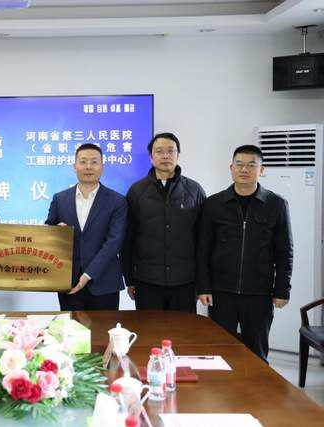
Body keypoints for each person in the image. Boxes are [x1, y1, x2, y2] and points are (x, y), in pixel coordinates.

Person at [197, 145, 292, 361]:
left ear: (262, 169)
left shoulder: (276, 204)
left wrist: (282, 289)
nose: (244, 169)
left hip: (259, 293)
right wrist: (203, 287)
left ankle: (257, 384)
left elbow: (284, 250)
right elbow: (203, 249)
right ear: (231, 168)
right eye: (239, 164)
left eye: (251, 165)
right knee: (220, 351)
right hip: (221, 292)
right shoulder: (214, 204)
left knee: (257, 352)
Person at [121, 132, 206, 313]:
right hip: (147, 281)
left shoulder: (194, 190)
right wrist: (129, 279)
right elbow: (128, 239)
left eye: (170, 151)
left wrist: (203, 282)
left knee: (182, 330)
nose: (165, 156)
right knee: (149, 328)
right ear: (151, 157)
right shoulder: (136, 191)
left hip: (185, 281)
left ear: (178, 155)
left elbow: (203, 239)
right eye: (159, 151)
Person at [45, 143, 127, 310]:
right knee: (70, 327)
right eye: (83, 161)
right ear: (74, 166)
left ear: (102, 167)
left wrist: (87, 275)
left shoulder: (117, 201)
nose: (88, 167)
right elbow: (48, 231)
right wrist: (56, 231)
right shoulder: (60, 199)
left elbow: (114, 242)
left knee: (105, 327)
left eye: (94, 162)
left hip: (104, 283)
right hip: (69, 282)